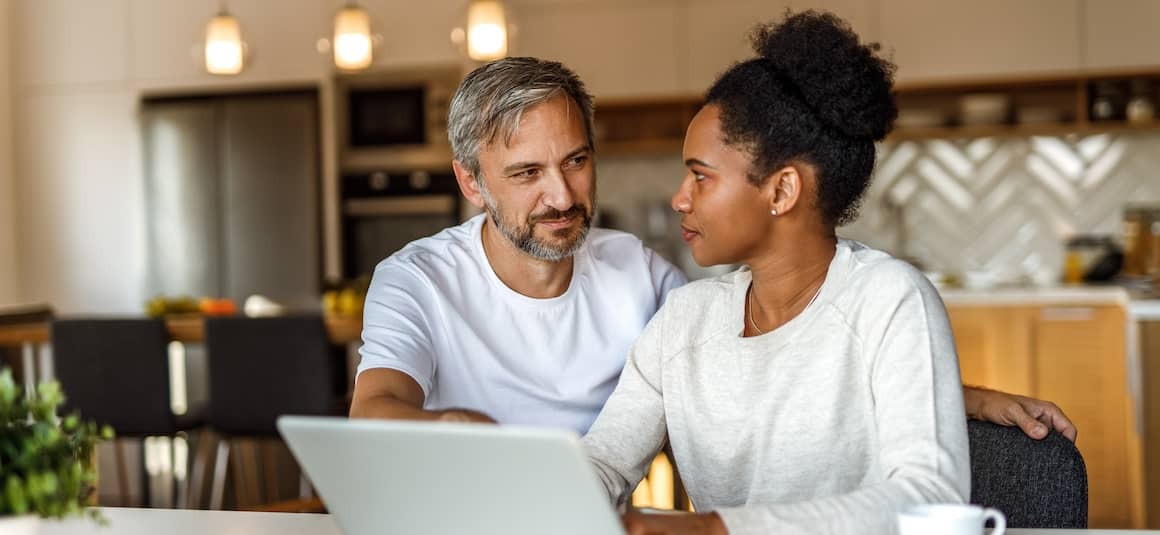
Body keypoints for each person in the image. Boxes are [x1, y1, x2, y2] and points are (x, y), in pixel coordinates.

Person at [347, 56, 1076, 442]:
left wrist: (952, 395)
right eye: (528, 173)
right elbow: (375, 407)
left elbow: (780, 366)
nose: (564, 196)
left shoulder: (637, 274)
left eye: (576, 160)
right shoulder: (416, 279)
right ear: (471, 182)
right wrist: (454, 428)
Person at [578, 11, 999, 534]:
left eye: (700, 177)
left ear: (781, 190)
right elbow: (603, 463)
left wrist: (715, 528)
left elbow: (928, 494)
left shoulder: (889, 300)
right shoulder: (683, 321)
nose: (679, 199)